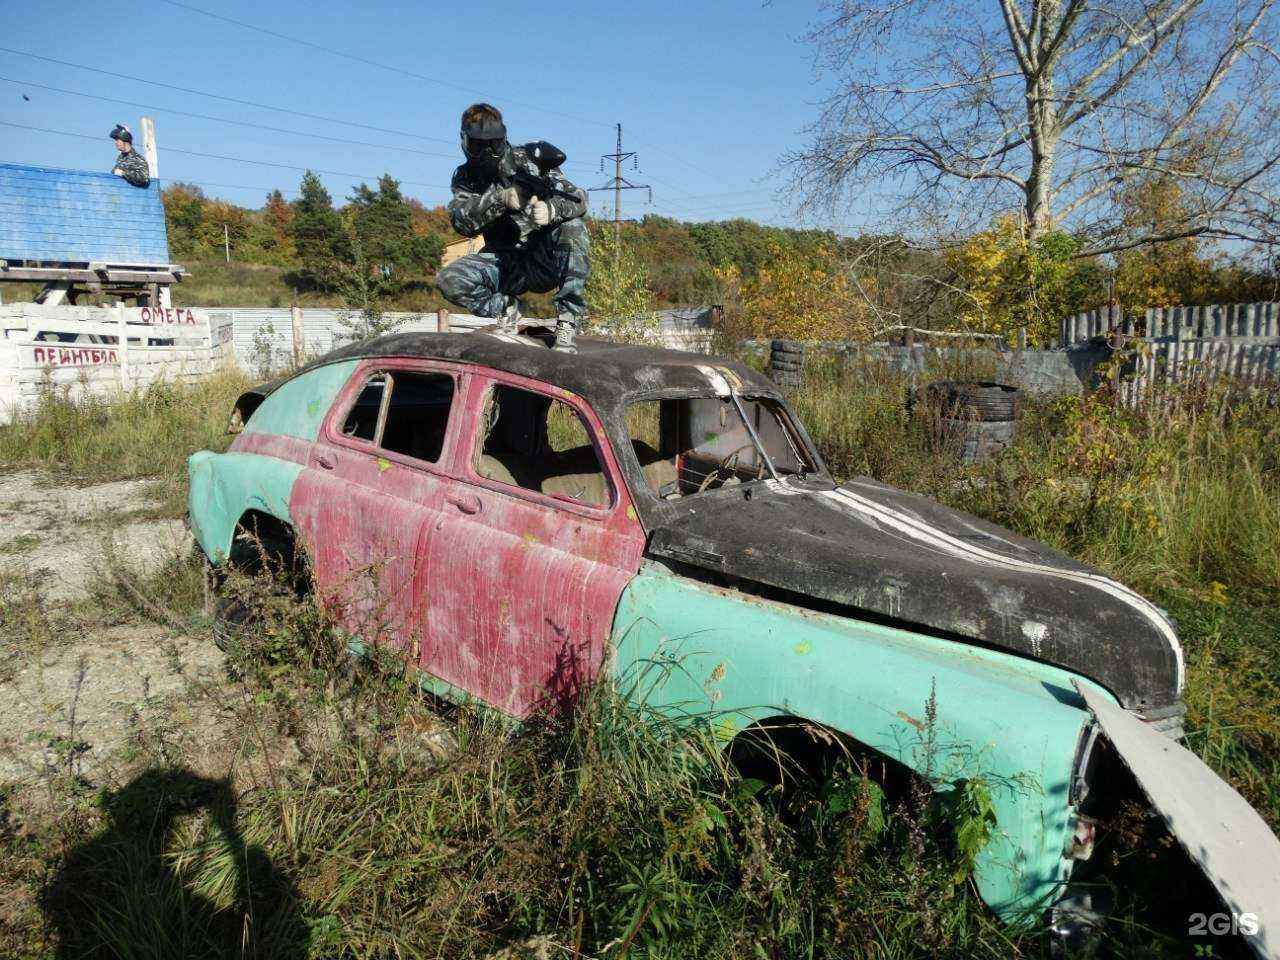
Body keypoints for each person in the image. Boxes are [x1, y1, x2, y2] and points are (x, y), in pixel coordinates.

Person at [436, 103, 589, 353]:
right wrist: (500, 199)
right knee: (450, 279)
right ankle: (507, 309)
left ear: (503, 137)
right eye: (478, 145)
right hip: (505, 264)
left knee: (573, 227)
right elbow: (461, 222)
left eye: (494, 144)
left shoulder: (528, 159)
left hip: (542, 259)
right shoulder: (465, 177)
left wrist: (551, 210)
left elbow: (578, 199)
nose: (487, 152)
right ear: (465, 141)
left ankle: (567, 320)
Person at [109, 123, 150, 187]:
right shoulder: (120, 159)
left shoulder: (138, 159)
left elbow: (144, 178)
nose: (116, 143)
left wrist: (123, 173)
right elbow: (113, 173)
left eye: (118, 140)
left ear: (125, 140)